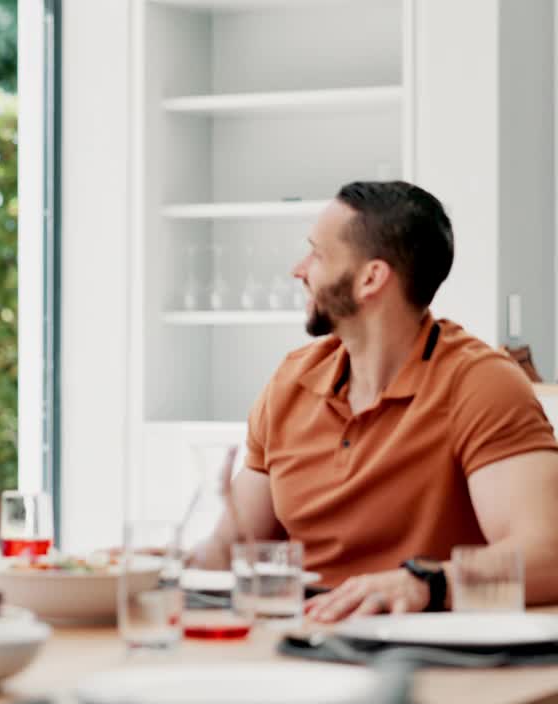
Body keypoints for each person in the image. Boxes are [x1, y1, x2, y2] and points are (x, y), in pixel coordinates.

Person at [190, 181, 558, 621]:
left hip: (422, 655)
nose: (298, 269)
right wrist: (163, 567)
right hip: (299, 643)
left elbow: (547, 556)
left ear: (371, 278)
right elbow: (232, 546)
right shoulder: (290, 382)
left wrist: (423, 583)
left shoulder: (481, 384)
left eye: (317, 254)